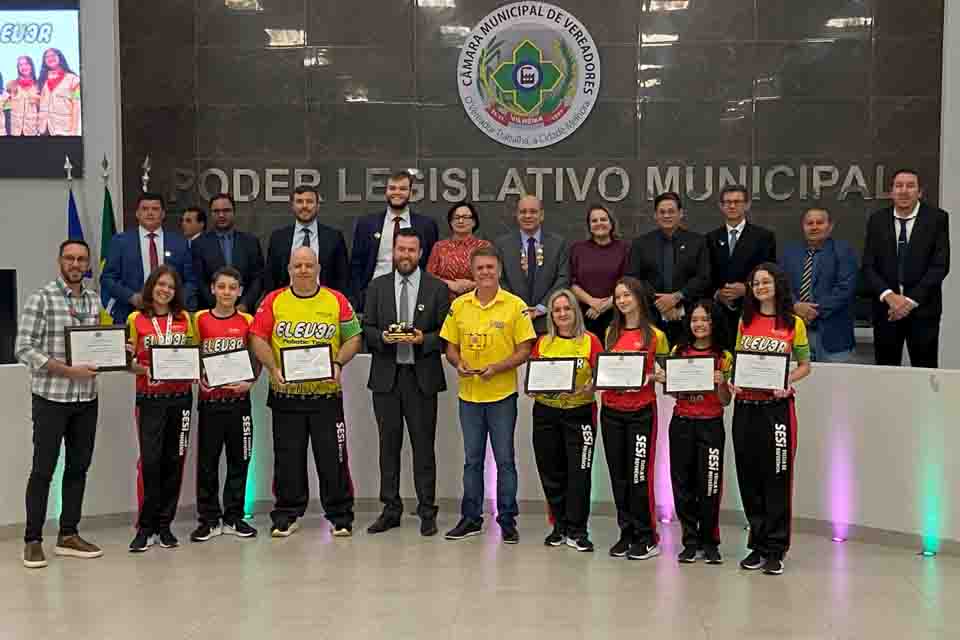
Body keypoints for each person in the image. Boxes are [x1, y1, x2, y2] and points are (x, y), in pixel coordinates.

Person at [250, 247, 362, 538]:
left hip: (326, 397)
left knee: (333, 457)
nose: (303, 270)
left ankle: (340, 516)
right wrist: (273, 368)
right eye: (297, 265)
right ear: (289, 269)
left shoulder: (336, 300)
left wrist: (338, 363)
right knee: (288, 458)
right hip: (286, 396)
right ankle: (287, 514)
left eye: (308, 265)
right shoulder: (273, 301)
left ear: (318, 268)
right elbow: (257, 338)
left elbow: (354, 338)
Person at [15, 240, 105, 569]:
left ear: (87, 264)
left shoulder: (94, 300)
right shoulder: (41, 299)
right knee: (43, 471)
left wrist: (115, 350)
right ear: (60, 262)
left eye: (81, 259)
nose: (75, 264)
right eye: (70, 258)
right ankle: (32, 540)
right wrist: (68, 370)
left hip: (86, 400)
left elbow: (99, 342)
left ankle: (68, 534)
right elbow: (23, 348)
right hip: (51, 399)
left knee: (78, 469)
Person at [440, 246, 536, 544]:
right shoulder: (460, 306)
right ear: (472, 271)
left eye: (490, 267)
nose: (485, 273)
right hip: (469, 396)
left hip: (502, 395)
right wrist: (458, 362)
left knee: (505, 460)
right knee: (472, 460)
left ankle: (507, 520)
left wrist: (498, 367)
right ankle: (471, 519)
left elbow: (525, 349)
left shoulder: (515, 305)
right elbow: (450, 346)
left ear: (500, 270)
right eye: (479, 268)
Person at [362, 229, 450, 537]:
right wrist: (382, 337)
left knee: (423, 447)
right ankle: (391, 509)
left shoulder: (437, 288)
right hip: (386, 378)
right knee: (388, 447)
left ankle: (427, 510)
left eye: (412, 250)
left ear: (420, 253)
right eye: (401, 249)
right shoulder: (376, 287)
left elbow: (445, 334)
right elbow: (366, 329)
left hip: (421, 378)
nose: (406, 255)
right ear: (393, 252)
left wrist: (422, 339)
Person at [731, 262, 811, 576]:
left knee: (776, 478)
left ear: (778, 284)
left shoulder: (793, 323)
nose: (760, 287)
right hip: (745, 407)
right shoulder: (745, 321)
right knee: (749, 477)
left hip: (776, 410)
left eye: (765, 282)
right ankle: (758, 544)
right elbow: (739, 362)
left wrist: (789, 381)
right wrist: (733, 381)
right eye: (755, 283)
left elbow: (805, 364)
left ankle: (776, 549)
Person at [653, 299, 732, 565]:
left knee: (709, 484)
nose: (699, 324)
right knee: (682, 483)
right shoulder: (679, 351)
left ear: (713, 323)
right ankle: (690, 541)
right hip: (682, 423)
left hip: (711, 425)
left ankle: (710, 542)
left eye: (705, 319)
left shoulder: (723, 356)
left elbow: (725, 400)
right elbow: (675, 392)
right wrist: (667, 381)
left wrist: (721, 383)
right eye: (695, 320)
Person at [126, 265, 198, 552]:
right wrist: (145, 369)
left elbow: (194, 356)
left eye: (170, 286)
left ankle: (165, 525)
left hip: (181, 399)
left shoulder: (185, 320)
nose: (164, 290)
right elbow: (128, 362)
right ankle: (145, 527)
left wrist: (195, 370)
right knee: (150, 462)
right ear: (151, 287)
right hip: (149, 400)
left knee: (174, 461)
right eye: (160, 284)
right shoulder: (136, 319)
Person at [528, 289, 603, 552]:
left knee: (579, 473)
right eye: (557, 309)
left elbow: (601, 379)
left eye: (567, 309)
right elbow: (534, 379)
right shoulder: (542, 343)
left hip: (579, 415)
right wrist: (533, 388)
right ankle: (558, 527)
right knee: (551, 471)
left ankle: (578, 530)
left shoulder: (591, 341)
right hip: (546, 414)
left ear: (576, 312)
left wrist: (589, 389)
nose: (562, 314)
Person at [600, 276, 669, 561]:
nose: (622, 301)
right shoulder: (610, 333)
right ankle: (626, 532)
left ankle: (647, 536)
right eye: (618, 297)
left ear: (639, 298)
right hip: (612, 411)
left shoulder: (656, 336)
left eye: (627, 295)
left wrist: (653, 375)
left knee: (639, 475)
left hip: (641, 412)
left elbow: (667, 374)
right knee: (619, 476)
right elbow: (606, 369)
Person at [190, 267, 259, 542]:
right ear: (212, 289)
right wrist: (199, 378)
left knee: (239, 459)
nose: (227, 292)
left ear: (240, 291)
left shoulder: (247, 320)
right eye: (222, 287)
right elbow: (189, 354)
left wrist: (250, 383)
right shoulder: (200, 319)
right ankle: (209, 519)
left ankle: (234, 517)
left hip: (239, 403)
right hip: (210, 403)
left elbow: (257, 357)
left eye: (232, 287)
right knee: (207, 462)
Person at [861, 169, 950, 367]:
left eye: (910, 186)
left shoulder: (937, 219)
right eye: (898, 186)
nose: (904, 191)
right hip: (886, 310)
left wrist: (908, 302)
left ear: (920, 192)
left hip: (923, 310)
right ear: (891, 191)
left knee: (924, 369)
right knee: (885, 370)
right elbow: (868, 266)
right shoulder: (877, 220)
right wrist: (890, 298)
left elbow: (940, 266)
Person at [100, 191, 197, 325]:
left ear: (163, 214)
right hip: (130, 313)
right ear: (137, 214)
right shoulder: (120, 241)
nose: (150, 213)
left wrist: (176, 301)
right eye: (145, 209)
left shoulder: (179, 243)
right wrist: (131, 297)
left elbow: (191, 280)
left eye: (155, 209)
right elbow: (107, 278)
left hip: (171, 316)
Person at [350, 170, 439, 311]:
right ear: (386, 191)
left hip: (414, 296)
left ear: (411, 192)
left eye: (403, 189)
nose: (397, 193)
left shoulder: (426, 225)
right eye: (392, 188)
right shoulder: (366, 224)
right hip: (374, 296)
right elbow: (356, 264)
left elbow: (430, 263)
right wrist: (358, 297)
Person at [628, 192, 711, 344]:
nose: (667, 215)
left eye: (671, 211)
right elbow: (634, 279)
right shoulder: (640, 244)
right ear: (655, 215)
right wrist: (662, 303)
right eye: (662, 212)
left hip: (689, 317)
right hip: (651, 316)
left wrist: (676, 297)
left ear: (681, 213)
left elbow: (703, 277)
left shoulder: (698, 242)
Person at [780, 208, 858, 362]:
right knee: (798, 383)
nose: (814, 227)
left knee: (835, 384)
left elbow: (845, 288)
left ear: (830, 226)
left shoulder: (843, 251)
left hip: (833, 337)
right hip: (795, 333)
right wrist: (795, 306)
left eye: (820, 223)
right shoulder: (789, 253)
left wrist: (811, 311)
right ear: (803, 226)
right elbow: (780, 285)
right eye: (809, 223)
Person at [706, 185, 777, 350]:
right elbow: (706, 274)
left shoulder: (763, 237)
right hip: (719, 313)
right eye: (727, 202)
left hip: (752, 310)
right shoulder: (710, 238)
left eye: (737, 202)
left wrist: (746, 288)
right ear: (721, 206)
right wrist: (717, 293)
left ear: (747, 205)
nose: (732, 206)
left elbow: (770, 272)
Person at [495, 195, 570, 334]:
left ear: (541, 215)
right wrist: (519, 308)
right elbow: (500, 279)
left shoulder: (558, 243)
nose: (527, 216)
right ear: (517, 215)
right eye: (523, 212)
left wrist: (542, 308)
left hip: (548, 321)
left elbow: (563, 279)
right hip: (513, 321)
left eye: (533, 212)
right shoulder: (502, 245)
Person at [265, 185, 349, 294]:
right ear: (293, 206)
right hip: (287, 301)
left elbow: (343, 277)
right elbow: (270, 278)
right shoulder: (278, 238)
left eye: (309, 201)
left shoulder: (334, 237)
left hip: (324, 301)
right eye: (299, 201)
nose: (304, 206)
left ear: (318, 206)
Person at [191, 192, 265, 313]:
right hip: (210, 312)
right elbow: (199, 281)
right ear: (211, 214)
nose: (221, 215)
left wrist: (245, 304)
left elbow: (258, 278)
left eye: (226, 210)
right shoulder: (199, 244)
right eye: (216, 211)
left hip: (243, 312)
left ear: (234, 212)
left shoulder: (250, 241)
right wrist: (219, 307)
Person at [569, 204, 630, 341]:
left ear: (611, 223)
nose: (599, 223)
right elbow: (571, 283)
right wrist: (592, 302)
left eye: (603, 219)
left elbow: (628, 281)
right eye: (594, 221)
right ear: (589, 225)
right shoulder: (578, 249)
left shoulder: (624, 249)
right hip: (584, 315)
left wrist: (605, 305)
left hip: (617, 314)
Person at [426, 201, 492, 301]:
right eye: (456, 217)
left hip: (478, 301)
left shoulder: (484, 246)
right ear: (451, 222)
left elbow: (493, 275)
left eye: (465, 217)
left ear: (474, 222)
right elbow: (429, 277)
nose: (460, 221)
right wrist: (450, 284)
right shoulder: (439, 247)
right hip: (444, 303)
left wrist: (473, 285)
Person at [37, 48, 80, 136]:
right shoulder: (42, 79)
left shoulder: (73, 79)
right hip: (44, 129)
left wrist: (74, 131)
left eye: (53, 55)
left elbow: (77, 106)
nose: (50, 58)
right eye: (46, 57)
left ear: (60, 57)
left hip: (64, 129)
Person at [6, 56, 40, 136]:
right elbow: (6, 108)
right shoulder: (11, 84)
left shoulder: (39, 85)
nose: (23, 67)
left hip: (32, 130)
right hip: (15, 130)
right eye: (20, 65)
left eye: (26, 64)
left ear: (31, 66)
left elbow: (43, 109)